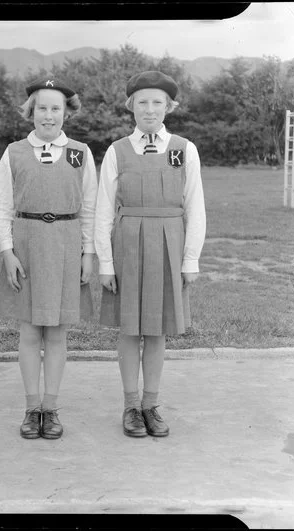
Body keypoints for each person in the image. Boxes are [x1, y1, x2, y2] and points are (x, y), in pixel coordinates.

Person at [95, 71, 206, 438]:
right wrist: (106, 265)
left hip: (168, 245)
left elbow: (196, 207)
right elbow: (103, 210)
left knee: (157, 330)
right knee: (129, 328)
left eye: (157, 102)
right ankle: (130, 405)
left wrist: (190, 260)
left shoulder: (183, 149)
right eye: (142, 101)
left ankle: (151, 404)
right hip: (127, 244)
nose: (150, 109)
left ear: (169, 107)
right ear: (131, 107)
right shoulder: (117, 151)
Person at [0, 78, 97, 440]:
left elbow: (91, 208)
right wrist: (7, 252)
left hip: (66, 245)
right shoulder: (14, 151)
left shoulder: (80, 152)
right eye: (41, 108)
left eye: (56, 108)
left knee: (57, 332)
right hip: (27, 245)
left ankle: (50, 408)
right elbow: (1, 206)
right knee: (30, 331)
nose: (48, 116)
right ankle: (31, 406)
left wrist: (88, 254)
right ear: (30, 112)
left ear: (67, 112)